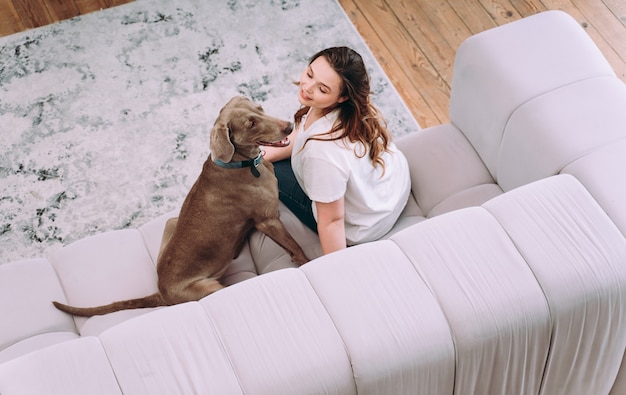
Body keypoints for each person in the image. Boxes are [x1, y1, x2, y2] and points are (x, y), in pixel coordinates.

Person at [263, 46, 411, 255]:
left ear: (342, 97)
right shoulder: (354, 111)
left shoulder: (321, 154)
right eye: (309, 74)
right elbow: (305, 127)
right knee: (263, 161)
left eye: (322, 89)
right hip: (392, 189)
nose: (307, 87)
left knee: (267, 171)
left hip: (365, 227)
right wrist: (265, 154)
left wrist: (336, 270)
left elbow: (332, 221)